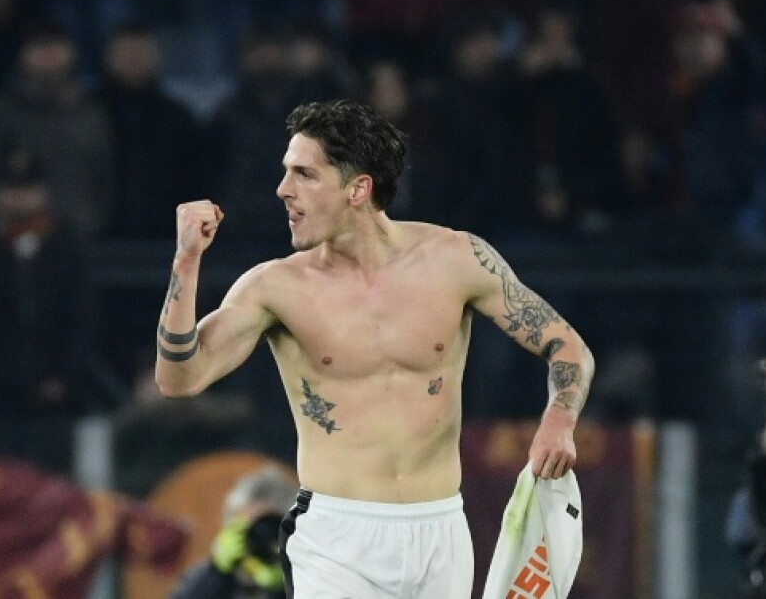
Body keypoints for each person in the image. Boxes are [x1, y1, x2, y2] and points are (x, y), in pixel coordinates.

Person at [153, 99, 595, 599]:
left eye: (304, 174)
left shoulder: (457, 259)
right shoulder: (274, 288)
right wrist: (186, 262)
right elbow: (178, 380)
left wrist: (559, 420)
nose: (283, 190)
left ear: (358, 188)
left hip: (441, 530)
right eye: (285, 173)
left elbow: (568, 346)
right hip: (337, 539)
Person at [170, 464, 299, 599]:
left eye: (266, 527)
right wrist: (217, 574)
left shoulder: (311, 576)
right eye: (248, 529)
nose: (257, 538)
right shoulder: (208, 574)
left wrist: (285, 585)